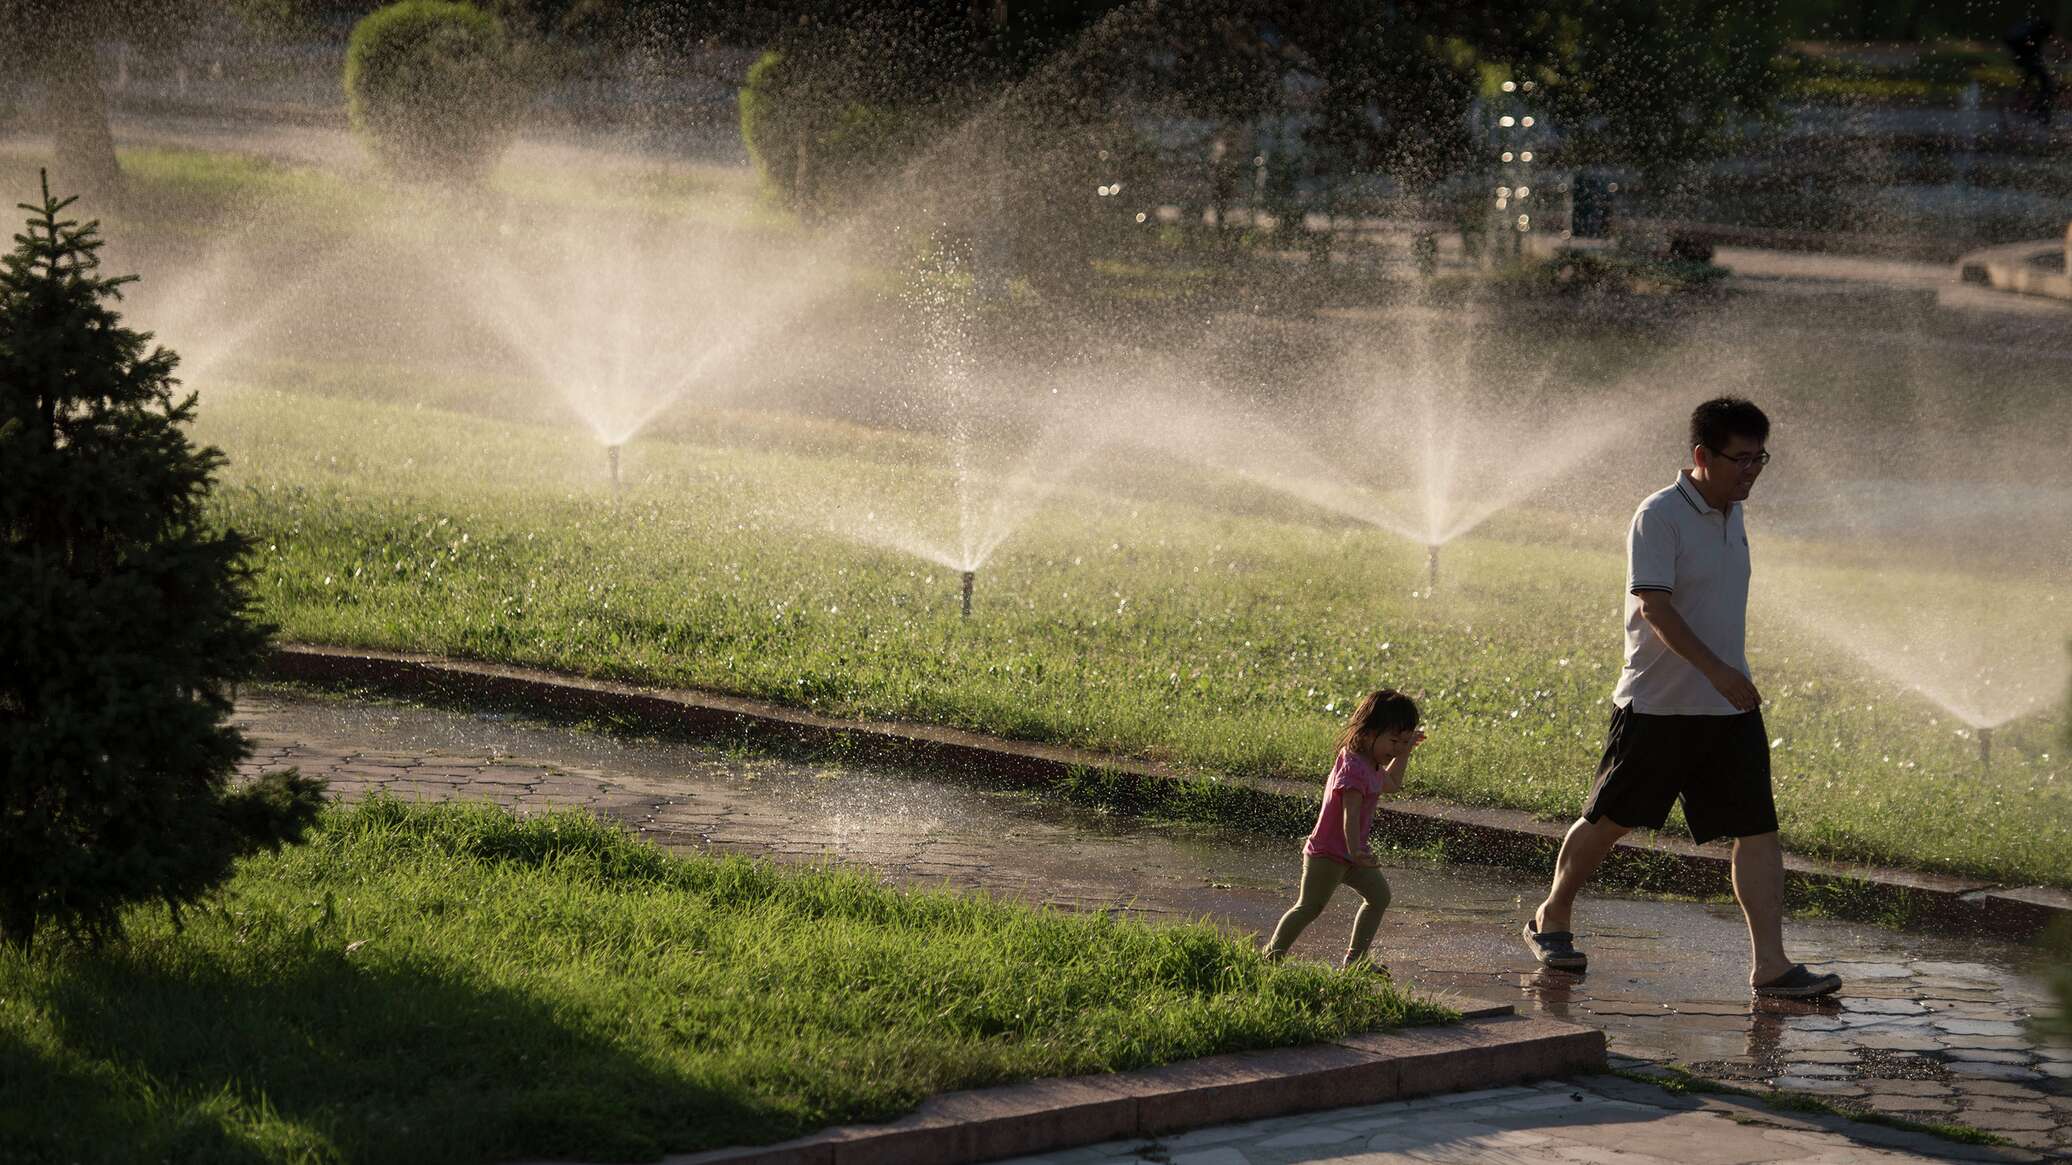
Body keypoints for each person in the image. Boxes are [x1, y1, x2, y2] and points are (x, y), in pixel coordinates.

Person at [1522, 398, 1842, 1000]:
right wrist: (1716, 670)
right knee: (1611, 820)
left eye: (1760, 459)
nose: (1751, 472)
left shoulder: (1732, 511)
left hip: (1728, 709)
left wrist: (1727, 680)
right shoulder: (1659, 515)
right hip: (1658, 705)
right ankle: (1551, 915)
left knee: (1757, 828)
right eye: (1739, 459)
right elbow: (1655, 608)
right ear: (1701, 456)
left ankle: (1770, 966)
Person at [1263, 689, 1424, 970]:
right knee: (1309, 907)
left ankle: (1355, 960)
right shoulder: (1352, 767)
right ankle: (1270, 956)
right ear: (1366, 733)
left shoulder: (1372, 763)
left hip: (1353, 854)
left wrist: (1406, 752)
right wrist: (1356, 850)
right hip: (1328, 854)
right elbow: (1350, 815)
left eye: (1404, 741)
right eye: (1394, 741)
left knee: (1379, 898)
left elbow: (1393, 784)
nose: (1397, 749)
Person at [2006, 16, 2058, 126]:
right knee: (2048, 85)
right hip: (2026, 58)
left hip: (2022, 58)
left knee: (2031, 78)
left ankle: (2029, 106)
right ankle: (2040, 112)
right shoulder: (2036, 34)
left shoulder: (2031, 30)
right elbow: (2036, 53)